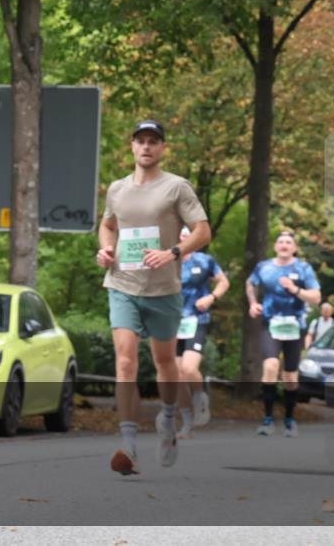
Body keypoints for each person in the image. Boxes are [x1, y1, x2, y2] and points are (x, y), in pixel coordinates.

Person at [97, 120, 212, 476]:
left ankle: (166, 418)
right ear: (131, 146)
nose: (146, 147)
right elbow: (108, 225)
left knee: (165, 363)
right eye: (141, 141)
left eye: (154, 142)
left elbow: (203, 232)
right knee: (126, 363)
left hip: (163, 289)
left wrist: (173, 252)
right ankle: (128, 444)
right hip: (122, 284)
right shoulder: (117, 189)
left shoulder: (177, 187)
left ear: (162, 148)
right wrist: (105, 249)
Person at [246, 231, 321, 438]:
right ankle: (268, 419)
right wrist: (253, 304)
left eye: (289, 242)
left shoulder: (303, 268)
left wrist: (295, 290)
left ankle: (289, 418)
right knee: (270, 365)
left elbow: (316, 297)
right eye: (280, 241)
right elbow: (250, 283)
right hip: (271, 323)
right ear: (276, 246)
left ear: (294, 248)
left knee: (290, 376)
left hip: (295, 325)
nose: (284, 244)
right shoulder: (264, 267)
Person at [175, 227, 229, 439]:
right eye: (178, 235)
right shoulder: (166, 261)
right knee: (176, 378)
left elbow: (224, 282)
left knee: (188, 369)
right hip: (172, 323)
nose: (182, 238)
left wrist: (211, 298)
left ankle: (200, 396)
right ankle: (187, 422)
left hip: (196, 320)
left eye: (186, 235)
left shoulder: (205, 261)